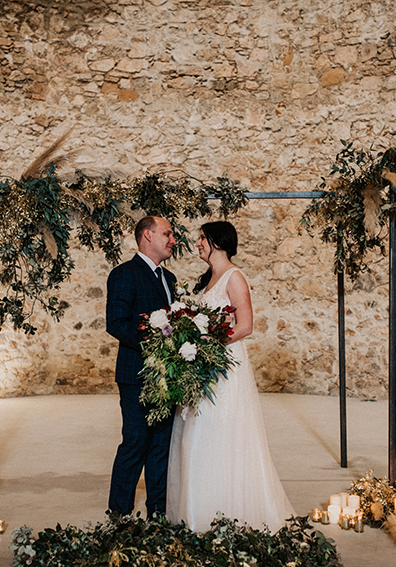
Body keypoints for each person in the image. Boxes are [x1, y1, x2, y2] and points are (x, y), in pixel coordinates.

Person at [166, 220, 295, 531]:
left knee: (220, 432)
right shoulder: (207, 281)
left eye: (201, 239)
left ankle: (226, 510)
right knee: (195, 435)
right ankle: (196, 511)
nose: (197, 244)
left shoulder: (234, 278)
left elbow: (246, 325)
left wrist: (208, 344)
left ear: (218, 243)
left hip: (222, 366)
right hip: (202, 365)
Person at [106, 215, 178, 517]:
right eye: (167, 234)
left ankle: (157, 513)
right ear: (147, 235)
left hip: (170, 376)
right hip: (137, 374)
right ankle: (119, 515)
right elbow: (117, 324)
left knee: (161, 447)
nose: (173, 240)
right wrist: (155, 341)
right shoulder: (124, 274)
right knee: (135, 444)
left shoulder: (171, 279)